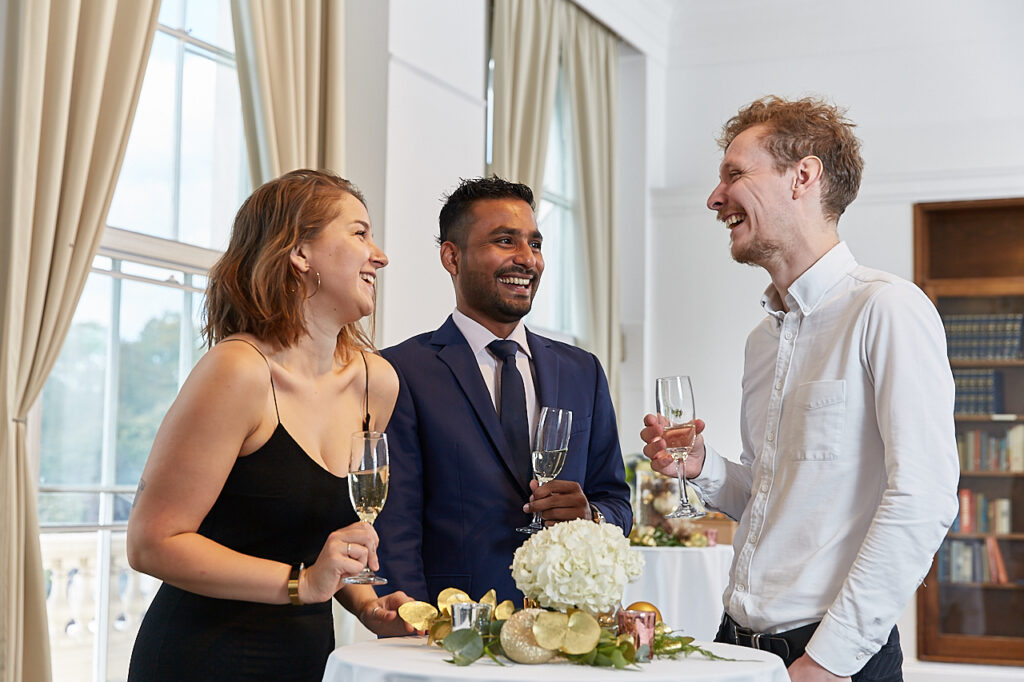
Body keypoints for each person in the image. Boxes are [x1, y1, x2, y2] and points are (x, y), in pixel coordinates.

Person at [641, 97, 959, 681]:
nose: (715, 197)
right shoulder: (761, 342)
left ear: (803, 177)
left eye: (735, 174)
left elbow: (923, 498)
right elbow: (772, 498)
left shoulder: (887, 309)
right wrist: (704, 465)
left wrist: (827, 663)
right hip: (737, 645)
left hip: (831, 660)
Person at [126, 169, 415, 681]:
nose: (380, 254)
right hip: (202, 657)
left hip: (306, 660)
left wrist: (368, 606)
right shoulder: (237, 370)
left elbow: (317, 538)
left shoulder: (377, 382)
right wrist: (300, 584)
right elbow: (152, 542)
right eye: (359, 233)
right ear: (301, 253)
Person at [374, 176, 632, 605]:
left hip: (568, 629)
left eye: (535, 244)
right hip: (453, 636)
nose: (527, 259)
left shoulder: (582, 371)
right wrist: (413, 631)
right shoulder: (399, 371)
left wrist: (590, 514)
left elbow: (617, 503)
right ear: (451, 257)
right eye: (505, 241)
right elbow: (395, 524)